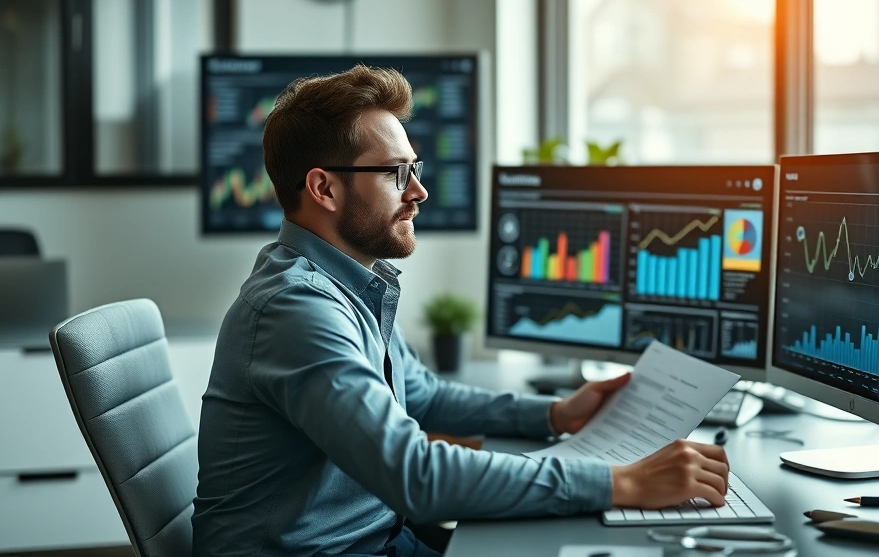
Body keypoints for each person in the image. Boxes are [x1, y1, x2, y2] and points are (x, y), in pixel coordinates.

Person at [191, 65, 730, 557]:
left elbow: (421, 393)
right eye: (397, 174)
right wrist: (622, 484)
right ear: (324, 188)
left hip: (376, 539)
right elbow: (415, 475)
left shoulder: (346, 283)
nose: (420, 191)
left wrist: (552, 415)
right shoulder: (297, 309)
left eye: (415, 169)